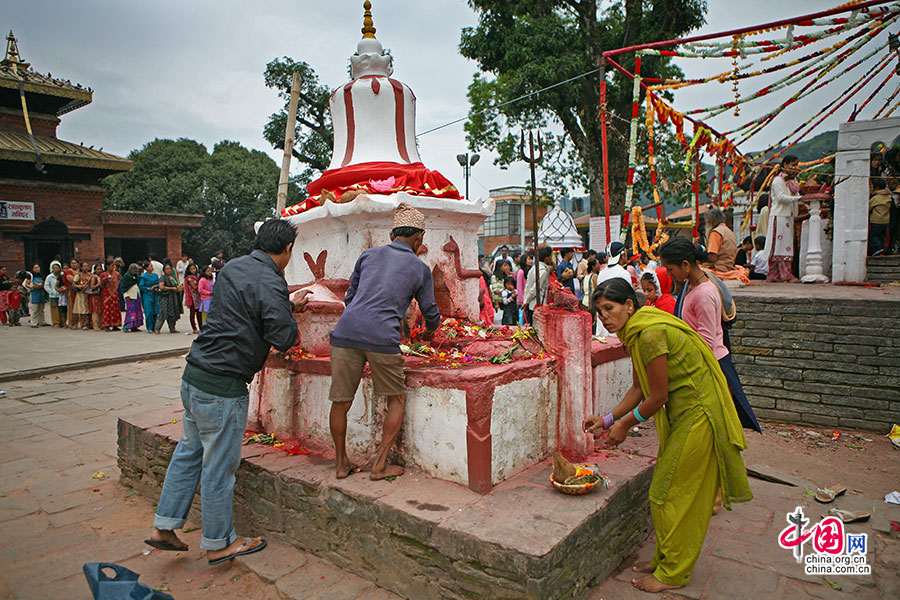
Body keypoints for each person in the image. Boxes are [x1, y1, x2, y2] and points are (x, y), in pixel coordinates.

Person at [147, 218, 310, 565]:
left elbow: (244, 309)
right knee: (219, 467)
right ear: (287, 249)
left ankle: (164, 526)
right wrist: (288, 310)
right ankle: (219, 543)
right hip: (223, 386)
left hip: (194, 375)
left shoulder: (234, 267)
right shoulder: (273, 280)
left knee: (189, 452)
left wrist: (286, 304)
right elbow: (283, 337)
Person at [583, 278, 752, 594]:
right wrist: (606, 420)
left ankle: (673, 571)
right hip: (685, 414)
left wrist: (624, 426)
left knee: (669, 492)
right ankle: (666, 558)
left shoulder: (649, 334)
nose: (604, 316)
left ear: (629, 306)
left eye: (609, 308)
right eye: (599, 310)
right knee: (667, 490)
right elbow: (638, 388)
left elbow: (657, 396)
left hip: (700, 414)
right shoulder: (635, 334)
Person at [328, 204, 440, 480]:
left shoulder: (368, 255)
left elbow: (350, 298)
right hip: (381, 337)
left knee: (341, 401)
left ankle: (342, 464)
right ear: (419, 239)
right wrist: (428, 333)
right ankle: (379, 465)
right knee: (396, 398)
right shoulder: (419, 267)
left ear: (392, 234)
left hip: (345, 333)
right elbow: (431, 313)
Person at [659, 238, 761, 434]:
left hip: (709, 364)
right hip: (702, 362)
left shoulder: (703, 293)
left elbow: (706, 341)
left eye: (671, 269)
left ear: (686, 265)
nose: (670, 275)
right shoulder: (692, 285)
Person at [761, 155, 803, 282]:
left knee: (783, 246)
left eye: (796, 165)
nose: (795, 168)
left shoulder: (792, 182)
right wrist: (799, 199)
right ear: (785, 165)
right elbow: (780, 198)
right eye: (793, 165)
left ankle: (775, 275)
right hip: (779, 216)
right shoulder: (778, 181)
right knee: (781, 246)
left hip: (787, 215)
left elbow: (794, 196)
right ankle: (785, 275)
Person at [704, 208, 749, 284]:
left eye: (707, 222)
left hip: (718, 269)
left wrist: (701, 257)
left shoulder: (715, 233)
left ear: (712, 222)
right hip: (730, 267)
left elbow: (713, 258)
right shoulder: (729, 231)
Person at [522, 246, 553, 324]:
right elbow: (535, 288)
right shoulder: (543, 271)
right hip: (537, 305)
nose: (551, 259)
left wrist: (526, 300)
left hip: (531, 304)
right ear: (546, 258)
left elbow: (528, 286)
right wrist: (527, 301)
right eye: (550, 256)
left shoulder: (533, 268)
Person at [155, 264, 181, 334]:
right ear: (164, 270)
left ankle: (172, 328)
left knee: (172, 313)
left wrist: (178, 288)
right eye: (167, 269)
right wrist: (171, 288)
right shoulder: (163, 278)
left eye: (170, 269)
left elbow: (176, 285)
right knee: (163, 312)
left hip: (173, 297)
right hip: (165, 297)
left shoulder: (173, 277)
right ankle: (157, 328)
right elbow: (161, 287)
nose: (169, 270)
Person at [869, 177, 891, 255]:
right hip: (886, 221)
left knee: (873, 236)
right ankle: (882, 250)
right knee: (882, 236)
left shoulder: (875, 198)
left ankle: (879, 248)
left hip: (876, 221)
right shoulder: (887, 197)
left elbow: (868, 207)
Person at [100, 262, 122, 331]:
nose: (113, 267)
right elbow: (101, 286)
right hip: (107, 294)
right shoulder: (103, 274)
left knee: (115, 309)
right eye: (112, 266)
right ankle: (107, 325)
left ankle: (115, 325)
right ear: (107, 266)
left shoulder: (116, 274)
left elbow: (119, 281)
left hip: (115, 294)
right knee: (107, 309)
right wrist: (104, 280)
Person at [122, 264, 144, 332]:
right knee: (130, 312)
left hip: (136, 295)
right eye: (133, 271)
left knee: (137, 311)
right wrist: (126, 296)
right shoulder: (126, 277)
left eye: (136, 271)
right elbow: (124, 288)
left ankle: (135, 326)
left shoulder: (137, 275)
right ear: (130, 270)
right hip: (130, 296)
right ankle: (127, 326)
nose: (135, 272)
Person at [139, 262, 160, 333]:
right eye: (150, 266)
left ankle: (155, 326)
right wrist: (149, 288)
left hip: (155, 294)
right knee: (149, 311)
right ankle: (149, 327)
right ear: (147, 268)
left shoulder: (155, 275)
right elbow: (141, 286)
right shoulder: (144, 277)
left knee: (156, 310)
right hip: (148, 294)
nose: (152, 267)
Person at [71, 262, 92, 329]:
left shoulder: (90, 275)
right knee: (82, 309)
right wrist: (79, 286)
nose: (86, 268)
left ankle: (89, 323)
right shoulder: (78, 275)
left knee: (89, 309)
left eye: (87, 266)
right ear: (81, 268)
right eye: (84, 266)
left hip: (89, 293)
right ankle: (83, 324)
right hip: (81, 294)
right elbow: (73, 284)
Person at [184, 263, 202, 334]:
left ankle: (201, 327)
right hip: (192, 297)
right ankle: (194, 328)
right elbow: (194, 287)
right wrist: (201, 287)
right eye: (191, 269)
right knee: (192, 313)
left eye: (194, 268)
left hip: (199, 297)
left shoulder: (198, 276)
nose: (193, 270)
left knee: (199, 313)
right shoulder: (189, 278)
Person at [516, 252, 533, 324]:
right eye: (529, 259)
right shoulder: (521, 272)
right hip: (523, 300)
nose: (531, 261)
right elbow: (519, 288)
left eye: (531, 259)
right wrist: (522, 301)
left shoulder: (530, 272)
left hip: (528, 299)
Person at [44, 263, 62, 327]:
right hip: (53, 296)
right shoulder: (49, 277)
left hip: (61, 295)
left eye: (57, 268)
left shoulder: (62, 275)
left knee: (62, 309)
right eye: (54, 268)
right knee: (54, 310)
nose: (55, 269)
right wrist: (51, 292)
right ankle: (56, 323)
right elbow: (46, 286)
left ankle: (62, 322)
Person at [89, 263, 104, 330]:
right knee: (95, 311)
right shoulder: (94, 277)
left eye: (100, 269)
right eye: (98, 269)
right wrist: (98, 284)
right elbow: (92, 287)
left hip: (101, 295)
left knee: (101, 310)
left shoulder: (102, 276)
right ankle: (95, 325)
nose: (99, 270)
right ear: (95, 270)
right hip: (95, 296)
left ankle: (101, 325)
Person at [65, 259, 79, 329]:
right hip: (72, 292)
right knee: (72, 308)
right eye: (72, 263)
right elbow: (72, 279)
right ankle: (71, 323)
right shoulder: (69, 271)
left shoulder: (80, 271)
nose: (74, 264)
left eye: (75, 263)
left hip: (80, 292)